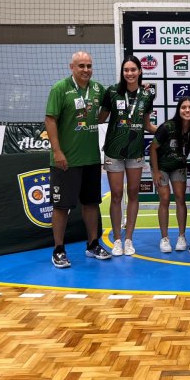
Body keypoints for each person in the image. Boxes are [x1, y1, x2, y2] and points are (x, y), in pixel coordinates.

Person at [45, 51, 110, 268]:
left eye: (89, 65)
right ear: (71, 67)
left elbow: (102, 114)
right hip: (66, 160)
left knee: (91, 203)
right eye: (81, 65)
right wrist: (57, 151)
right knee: (61, 206)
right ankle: (59, 249)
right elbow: (50, 120)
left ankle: (93, 244)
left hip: (91, 158)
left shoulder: (98, 89)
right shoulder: (60, 89)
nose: (86, 70)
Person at [98, 55, 156, 257]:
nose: (130, 73)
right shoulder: (112, 92)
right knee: (116, 195)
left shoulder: (147, 96)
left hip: (135, 152)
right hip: (114, 151)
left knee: (133, 193)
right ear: (122, 72)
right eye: (126, 70)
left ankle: (129, 239)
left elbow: (148, 125)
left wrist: (168, 130)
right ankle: (116, 240)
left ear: (140, 72)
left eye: (133, 70)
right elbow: (100, 118)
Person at [150, 96, 190, 253]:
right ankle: (164, 238)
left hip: (178, 166)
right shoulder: (167, 127)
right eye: (184, 107)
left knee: (180, 198)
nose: (187, 110)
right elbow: (153, 148)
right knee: (164, 198)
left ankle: (181, 236)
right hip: (162, 166)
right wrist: (156, 172)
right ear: (179, 110)